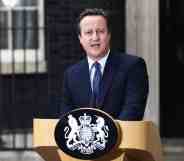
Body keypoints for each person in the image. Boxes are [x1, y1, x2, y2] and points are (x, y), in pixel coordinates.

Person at [60, 8, 149, 120]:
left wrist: (108, 134)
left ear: (109, 35)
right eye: (88, 32)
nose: (95, 37)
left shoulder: (133, 66)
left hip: (122, 136)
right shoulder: (71, 74)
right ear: (80, 39)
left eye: (100, 31)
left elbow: (133, 110)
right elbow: (67, 117)